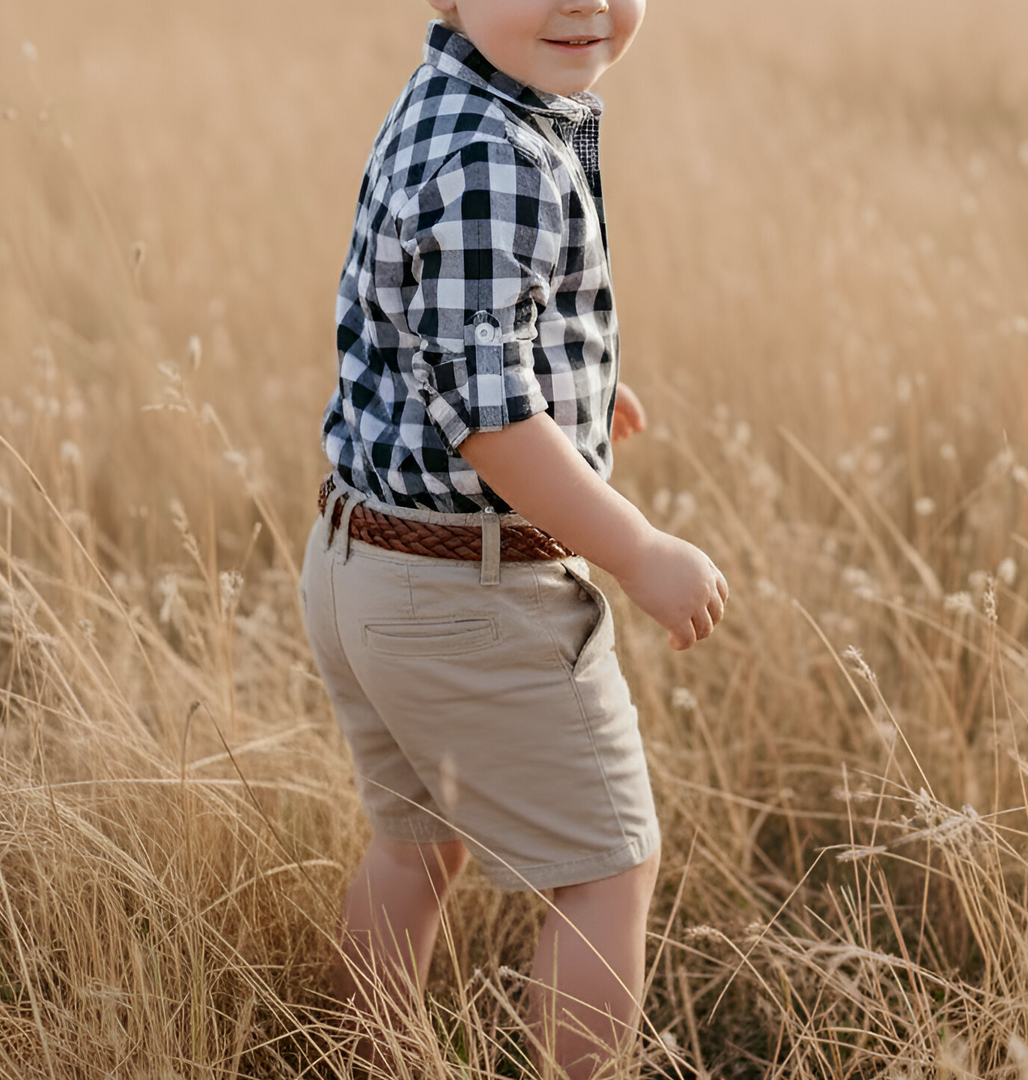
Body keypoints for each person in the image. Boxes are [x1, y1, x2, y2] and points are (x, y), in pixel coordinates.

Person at [301, 0, 728, 1075]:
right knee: (608, 869)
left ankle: (372, 1059)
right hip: (468, 598)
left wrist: (577, 396)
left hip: (364, 568)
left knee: (416, 846)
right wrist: (635, 550)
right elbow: (492, 424)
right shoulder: (500, 155)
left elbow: (440, 327)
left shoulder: (452, 98)